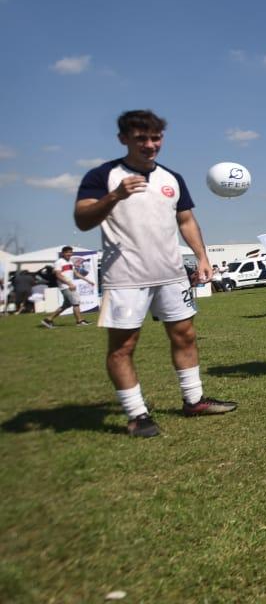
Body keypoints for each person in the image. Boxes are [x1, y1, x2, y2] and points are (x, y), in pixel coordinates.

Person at [74, 109, 236, 438]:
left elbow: (186, 220)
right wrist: (115, 195)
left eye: (155, 138)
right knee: (123, 347)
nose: (150, 145)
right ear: (123, 139)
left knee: (185, 335)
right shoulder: (102, 175)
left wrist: (202, 256)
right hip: (125, 276)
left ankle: (194, 400)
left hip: (171, 274)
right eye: (141, 139)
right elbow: (82, 219)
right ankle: (137, 415)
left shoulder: (171, 178)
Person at [40, 246, 91, 327]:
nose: (69, 254)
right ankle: (79, 321)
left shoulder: (70, 262)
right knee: (76, 302)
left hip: (69, 285)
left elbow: (76, 273)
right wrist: (69, 284)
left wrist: (88, 281)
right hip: (65, 286)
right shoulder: (59, 262)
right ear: (63, 253)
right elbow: (58, 275)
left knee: (66, 305)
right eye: (67, 252)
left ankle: (48, 320)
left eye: (70, 252)